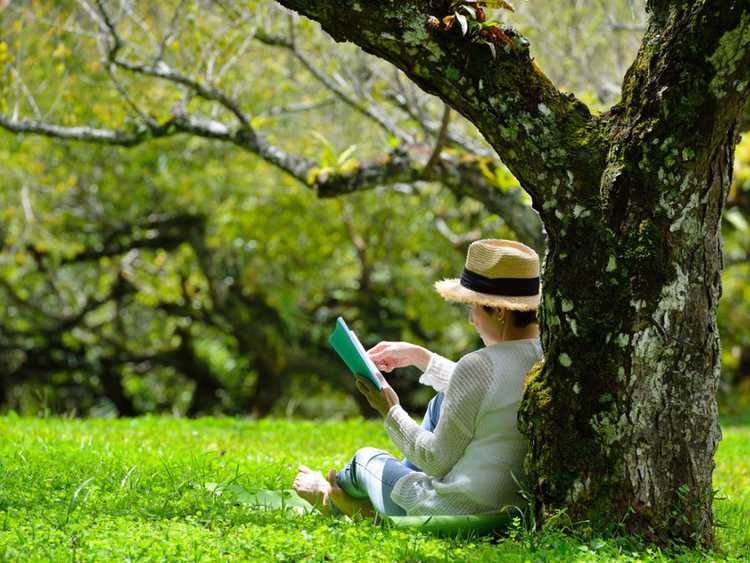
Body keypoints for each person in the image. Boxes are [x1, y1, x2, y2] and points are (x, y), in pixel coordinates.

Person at [293, 239, 543, 518]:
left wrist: (389, 409)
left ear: (498, 311)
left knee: (364, 459)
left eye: (472, 306)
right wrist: (420, 357)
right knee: (441, 401)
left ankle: (333, 499)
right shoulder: (549, 355)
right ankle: (374, 503)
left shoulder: (480, 364)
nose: (471, 319)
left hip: (454, 508)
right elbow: (486, 390)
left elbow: (435, 461)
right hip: (513, 508)